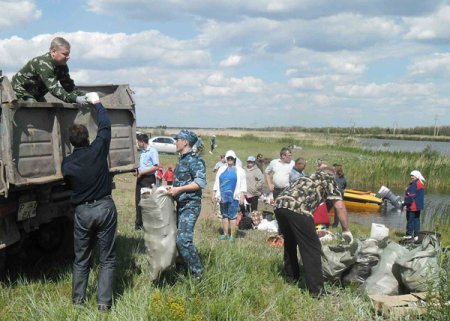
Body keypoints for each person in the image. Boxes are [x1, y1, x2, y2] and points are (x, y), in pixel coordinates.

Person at [62, 92, 117, 311]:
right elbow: (105, 126)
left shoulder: (67, 165)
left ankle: (78, 303)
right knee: (107, 259)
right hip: (104, 207)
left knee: (81, 259)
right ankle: (103, 304)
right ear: (87, 138)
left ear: (71, 142)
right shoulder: (98, 150)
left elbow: (70, 185)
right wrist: (97, 103)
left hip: (83, 212)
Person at [274, 165, 353, 297]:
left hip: (280, 205)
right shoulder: (329, 180)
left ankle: (291, 277)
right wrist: (346, 230)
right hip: (297, 208)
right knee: (312, 247)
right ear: (332, 175)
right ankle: (317, 290)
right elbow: (339, 206)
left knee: (290, 242)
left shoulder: (306, 177)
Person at [167, 129, 206, 279]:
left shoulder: (195, 160)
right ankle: (181, 269)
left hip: (191, 205)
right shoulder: (182, 160)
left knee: (183, 239)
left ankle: (198, 274)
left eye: (178, 140)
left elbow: (200, 182)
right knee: (176, 238)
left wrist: (179, 189)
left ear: (185, 142)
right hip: (181, 205)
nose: (175, 142)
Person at [12, 37, 86, 104]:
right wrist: (75, 99)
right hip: (19, 92)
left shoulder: (62, 66)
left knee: (43, 112)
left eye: (68, 54)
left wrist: (86, 96)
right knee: (34, 108)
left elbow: (69, 87)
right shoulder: (44, 64)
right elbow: (54, 88)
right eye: (65, 54)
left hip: (35, 94)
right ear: (53, 51)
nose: (68, 57)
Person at [212, 150, 247, 241]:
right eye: (228, 158)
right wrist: (214, 192)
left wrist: (242, 196)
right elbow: (217, 181)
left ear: (234, 159)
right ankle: (225, 234)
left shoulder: (239, 170)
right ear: (226, 159)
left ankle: (232, 236)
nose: (230, 160)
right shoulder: (221, 169)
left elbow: (243, 184)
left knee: (232, 216)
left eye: (232, 158)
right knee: (224, 215)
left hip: (234, 197)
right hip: (223, 196)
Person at [134, 133, 159, 230]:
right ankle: (138, 224)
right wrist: (136, 172)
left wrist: (142, 172)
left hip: (148, 180)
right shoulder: (142, 152)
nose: (137, 143)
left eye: (138, 142)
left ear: (142, 142)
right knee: (138, 201)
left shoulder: (152, 151)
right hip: (140, 179)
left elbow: (156, 166)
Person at [403, 170, 425, 240]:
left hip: (412, 206)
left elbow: (411, 195)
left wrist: (405, 204)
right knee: (416, 220)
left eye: (412, 176)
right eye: (411, 176)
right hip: (418, 206)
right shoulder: (420, 183)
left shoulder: (414, 184)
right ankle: (416, 235)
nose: (411, 177)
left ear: (416, 176)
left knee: (410, 220)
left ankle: (409, 235)